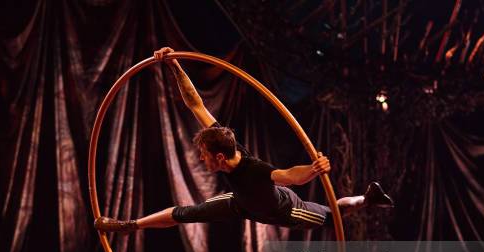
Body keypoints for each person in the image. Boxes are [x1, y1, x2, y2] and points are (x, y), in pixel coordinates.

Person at [94, 47, 393, 233]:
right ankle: (129, 226)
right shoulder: (224, 142)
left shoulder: (254, 169)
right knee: (186, 214)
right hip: (241, 203)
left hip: (282, 210)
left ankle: (366, 200)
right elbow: (195, 104)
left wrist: (314, 169)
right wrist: (174, 65)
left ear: (220, 158)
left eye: (204, 156)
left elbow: (289, 177)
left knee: (333, 216)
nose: (201, 159)